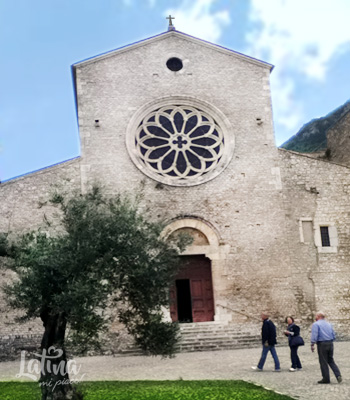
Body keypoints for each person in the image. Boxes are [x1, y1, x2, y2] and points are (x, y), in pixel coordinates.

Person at [311, 311, 342, 384]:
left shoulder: (316, 324)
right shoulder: (329, 324)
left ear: (318, 316)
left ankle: (326, 378)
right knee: (331, 360)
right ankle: (338, 375)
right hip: (330, 343)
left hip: (322, 344)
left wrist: (312, 344)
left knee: (323, 361)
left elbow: (314, 335)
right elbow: (333, 334)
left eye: (316, 316)